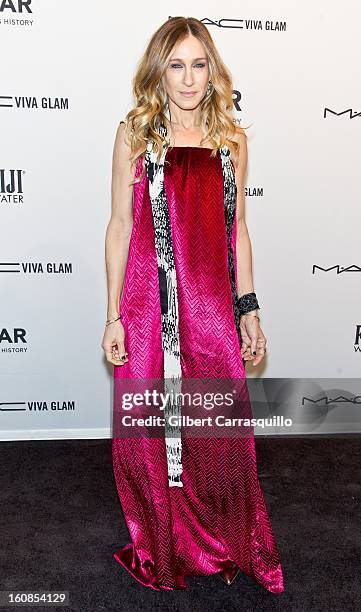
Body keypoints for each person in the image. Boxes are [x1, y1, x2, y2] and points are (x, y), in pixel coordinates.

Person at [102, 16, 284, 593]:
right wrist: (112, 316)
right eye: (176, 65)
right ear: (159, 70)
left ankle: (220, 541)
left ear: (214, 69)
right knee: (149, 433)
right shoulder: (136, 135)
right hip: (147, 303)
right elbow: (119, 228)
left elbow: (240, 233)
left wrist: (248, 307)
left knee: (217, 431)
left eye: (198, 64)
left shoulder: (232, 141)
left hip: (209, 305)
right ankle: (161, 541)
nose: (188, 79)